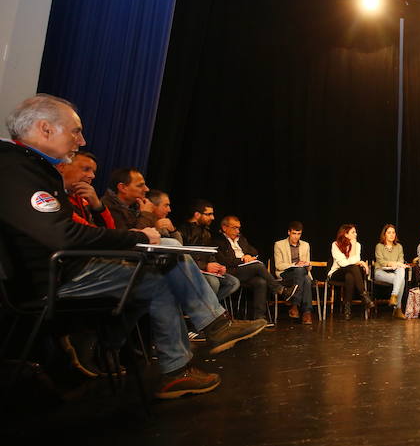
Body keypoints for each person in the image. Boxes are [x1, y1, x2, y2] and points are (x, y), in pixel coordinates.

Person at [0, 95, 266, 399]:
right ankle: (202, 339)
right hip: (53, 279)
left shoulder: (30, 168)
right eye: (75, 131)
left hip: (66, 268)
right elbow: (62, 235)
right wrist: (137, 238)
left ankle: (183, 361)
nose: (82, 139)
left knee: (162, 261)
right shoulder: (14, 169)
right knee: (162, 260)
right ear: (45, 129)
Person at [214, 215, 289, 321]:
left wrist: (248, 256)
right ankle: (280, 289)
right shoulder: (218, 241)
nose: (237, 230)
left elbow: (254, 251)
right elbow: (223, 261)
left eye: (238, 228)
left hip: (246, 270)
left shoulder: (241, 239)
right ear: (224, 227)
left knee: (261, 282)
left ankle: (259, 318)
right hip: (231, 272)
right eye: (234, 228)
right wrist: (242, 260)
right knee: (258, 266)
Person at [178, 199, 239, 300]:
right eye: (209, 214)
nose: (213, 217)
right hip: (191, 270)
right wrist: (205, 266)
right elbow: (183, 256)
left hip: (205, 270)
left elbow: (210, 253)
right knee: (213, 282)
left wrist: (217, 266)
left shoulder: (206, 232)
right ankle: (207, 312)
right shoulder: (183, 231)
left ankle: (208, 308)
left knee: (233, 282)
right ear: (197, 215)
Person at [56, 150, 115, 228]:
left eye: (93, 172)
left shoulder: (84, 197)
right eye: (86, 169)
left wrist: (98, 206)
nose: (92, 176)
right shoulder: (49, 194)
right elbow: (86, 232)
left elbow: (110, 229)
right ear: (62, 167)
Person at [328, 224, 374, 320]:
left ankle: (347, 309)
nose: (356, 234)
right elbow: (343, 263)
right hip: (337, 273)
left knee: (350, 276)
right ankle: (364, 295)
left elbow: (356, 259)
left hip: (349, 273)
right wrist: (360, 262)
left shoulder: (357, 245)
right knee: (353, 268)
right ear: (346, 234)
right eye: (353, 232)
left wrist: (353, 246)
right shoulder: (335, 244)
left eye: (355, 232)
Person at [273, 221, 315, 324]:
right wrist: (295, 265)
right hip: (286, 274)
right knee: (305, 278)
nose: (296, 237)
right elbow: (279, 265)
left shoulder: (306, 245)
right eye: (294, 233)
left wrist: (307, 264)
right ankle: (305, 312)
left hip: (301, 274)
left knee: (306, 278)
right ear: (289, 232)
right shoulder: (279, 244)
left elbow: (309, 267)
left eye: (299, 234)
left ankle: (296, 307)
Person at [374, 224, 409, 319]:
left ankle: (394, 296)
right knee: (401, 280)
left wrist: (397, 264)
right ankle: (398, 309)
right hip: (380, 272)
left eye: (393, 232)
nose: (391, 235)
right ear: (384, 234)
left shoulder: (399, 247)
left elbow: (401, 261)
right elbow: (381, 262)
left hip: (395, 273)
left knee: (401, 271)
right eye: (389, 232)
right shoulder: (379, 246)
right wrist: (393, 263)